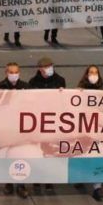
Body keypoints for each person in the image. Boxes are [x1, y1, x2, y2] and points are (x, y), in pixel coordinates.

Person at [29, 56, 66, 195]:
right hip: (38, 121)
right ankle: (37, 180)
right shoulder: (33, 82)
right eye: (46, 66)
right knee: (38, 152)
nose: (49, 68)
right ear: (40, 69)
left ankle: (49, 180)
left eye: (50, 65)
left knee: (50, 151)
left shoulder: (60, 80)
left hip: (53, 121)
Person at [0, 62, 30, 199]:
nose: (14, 75)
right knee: (7, 156)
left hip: (22, 128)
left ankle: (21, 184)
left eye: (16, 72)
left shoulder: (26, 87)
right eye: (11, 72)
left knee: (21, 156)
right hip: (6, 128)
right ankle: (8, 183)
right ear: (6, 72)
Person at [76, 65, 103, 202]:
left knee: (97, 156)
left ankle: (97, 187)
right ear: (86, 74)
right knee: (82, 155)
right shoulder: (79, 90)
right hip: (83, 128)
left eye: (96, 72)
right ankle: (80, 178)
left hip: (98, 129)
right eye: (91, 72)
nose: (93, 75)